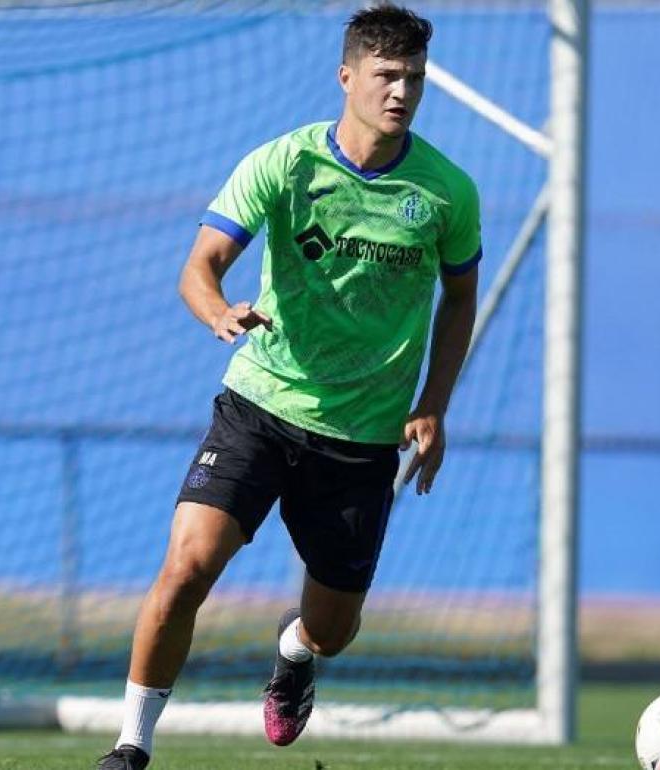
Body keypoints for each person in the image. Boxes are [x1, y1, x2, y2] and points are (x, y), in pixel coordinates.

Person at [96, 4, 480, 768]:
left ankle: (294, 651)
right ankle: (130, 748)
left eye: (413, 78)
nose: (401, 92)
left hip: (363, 436)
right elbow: (199, 267)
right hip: (260, 407)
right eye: (386, 76)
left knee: (333, 628)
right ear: (347, 77)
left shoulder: (446, 192)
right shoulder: (283, 163)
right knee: (188, 566)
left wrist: (432, 404)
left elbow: (461, 295)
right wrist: (218, 313)